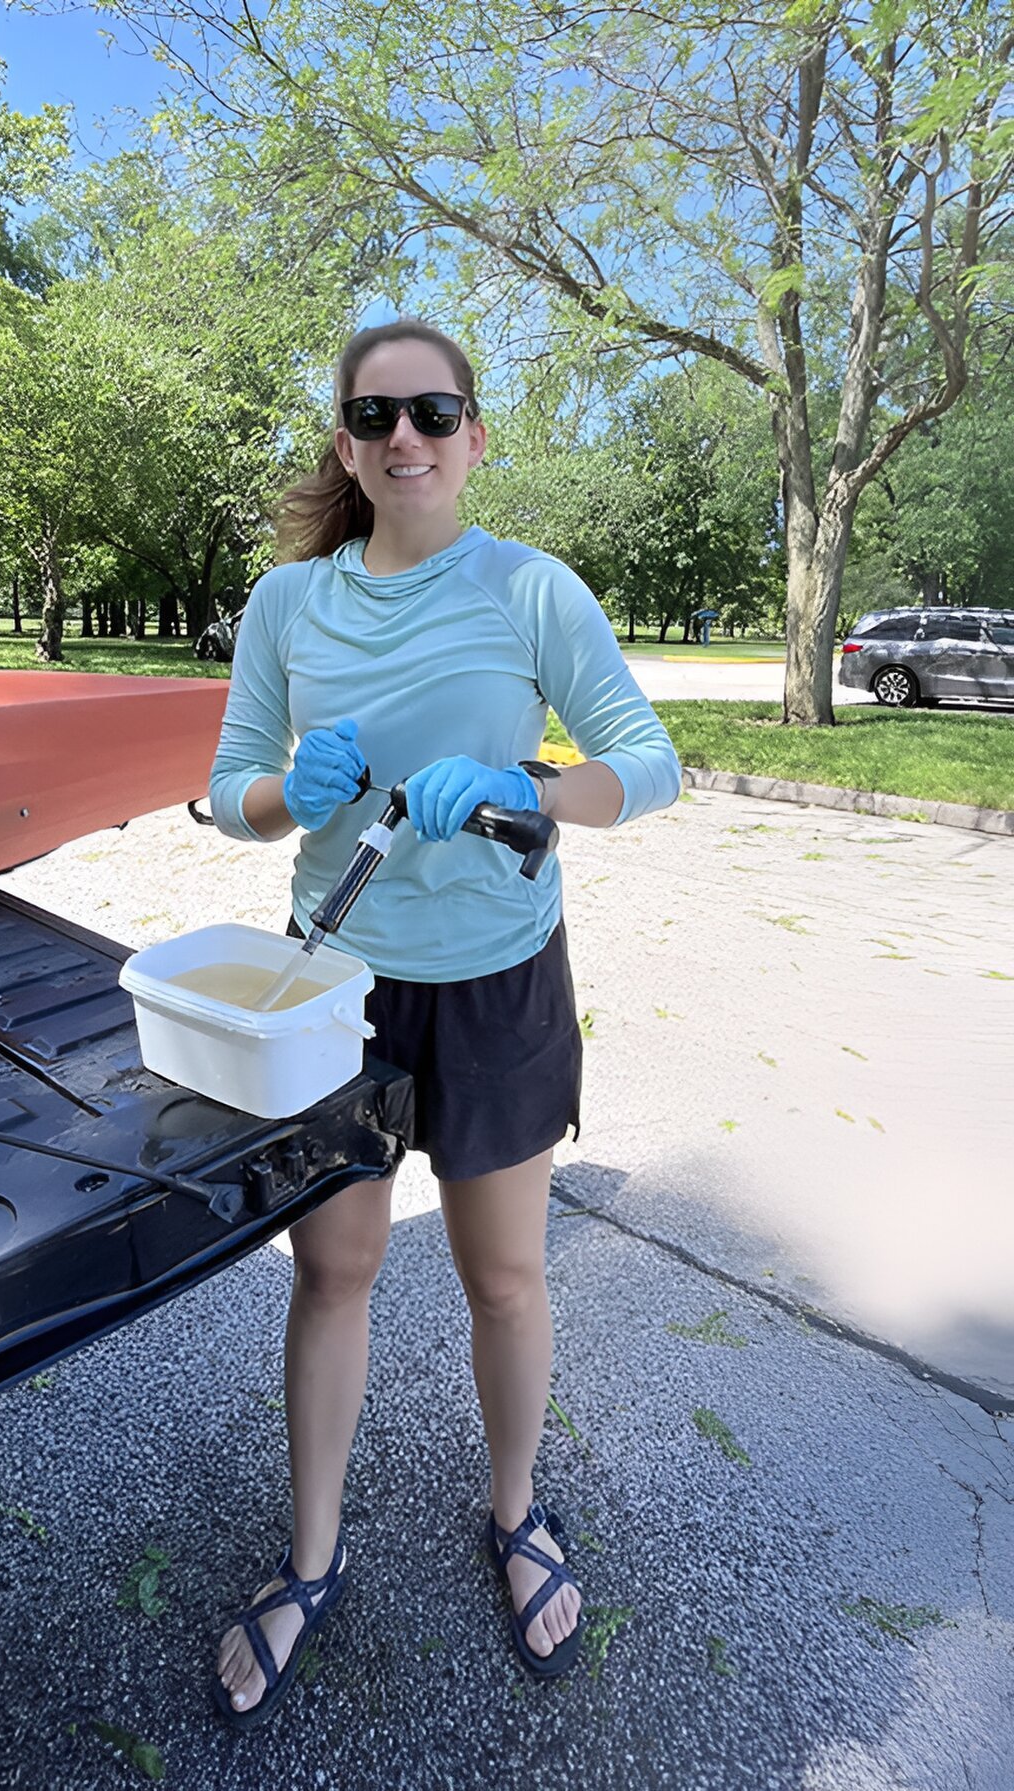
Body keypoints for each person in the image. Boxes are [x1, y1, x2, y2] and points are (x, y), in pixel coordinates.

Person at [207, 318, 681, 1728]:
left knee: (507, 1279)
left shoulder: (533, 590)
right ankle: (309, 1561)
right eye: (375, 415)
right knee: (335, 1271)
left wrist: (531, 784)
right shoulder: (289, 605)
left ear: (475, 435)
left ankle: (519, 1512)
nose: (405, 438)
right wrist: (300, 787)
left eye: (433, 412)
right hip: (334, 985)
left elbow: (647, 767)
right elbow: (232, 789)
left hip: (496, 977)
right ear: (347, 445)